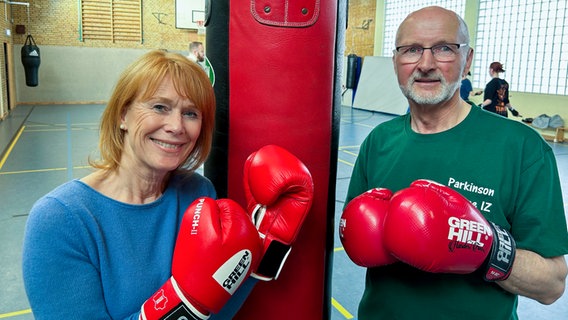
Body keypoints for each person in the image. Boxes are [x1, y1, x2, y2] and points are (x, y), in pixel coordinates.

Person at [341, 6, 568, 320]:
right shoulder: (378, 142)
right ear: (396, 62)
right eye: (411, 50)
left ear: (468, 61)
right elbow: (357, 237)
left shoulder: (523, 148)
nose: (425, 64)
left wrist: (482, 246)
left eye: (444, 49)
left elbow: (552, 284)